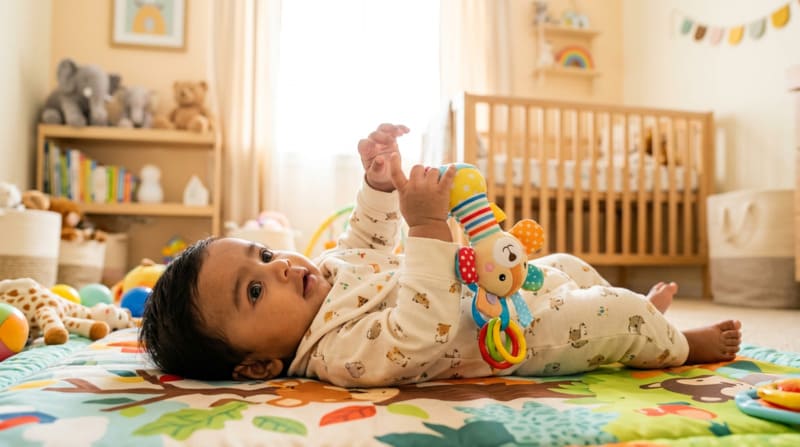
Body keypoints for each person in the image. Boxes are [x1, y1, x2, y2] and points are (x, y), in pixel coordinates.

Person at [140, 123, 742, 387]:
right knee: (608, 315)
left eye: (266, 253)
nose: (279, 267)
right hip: (513, 341)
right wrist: (427, 223)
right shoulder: (338, 356)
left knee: (565, 266)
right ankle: (678, 343)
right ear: (257, 367)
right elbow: (419, 330)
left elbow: (366, 243)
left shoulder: (322, 277)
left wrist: (378, 186)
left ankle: (644, 312)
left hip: (505, 289)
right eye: (253, 289)